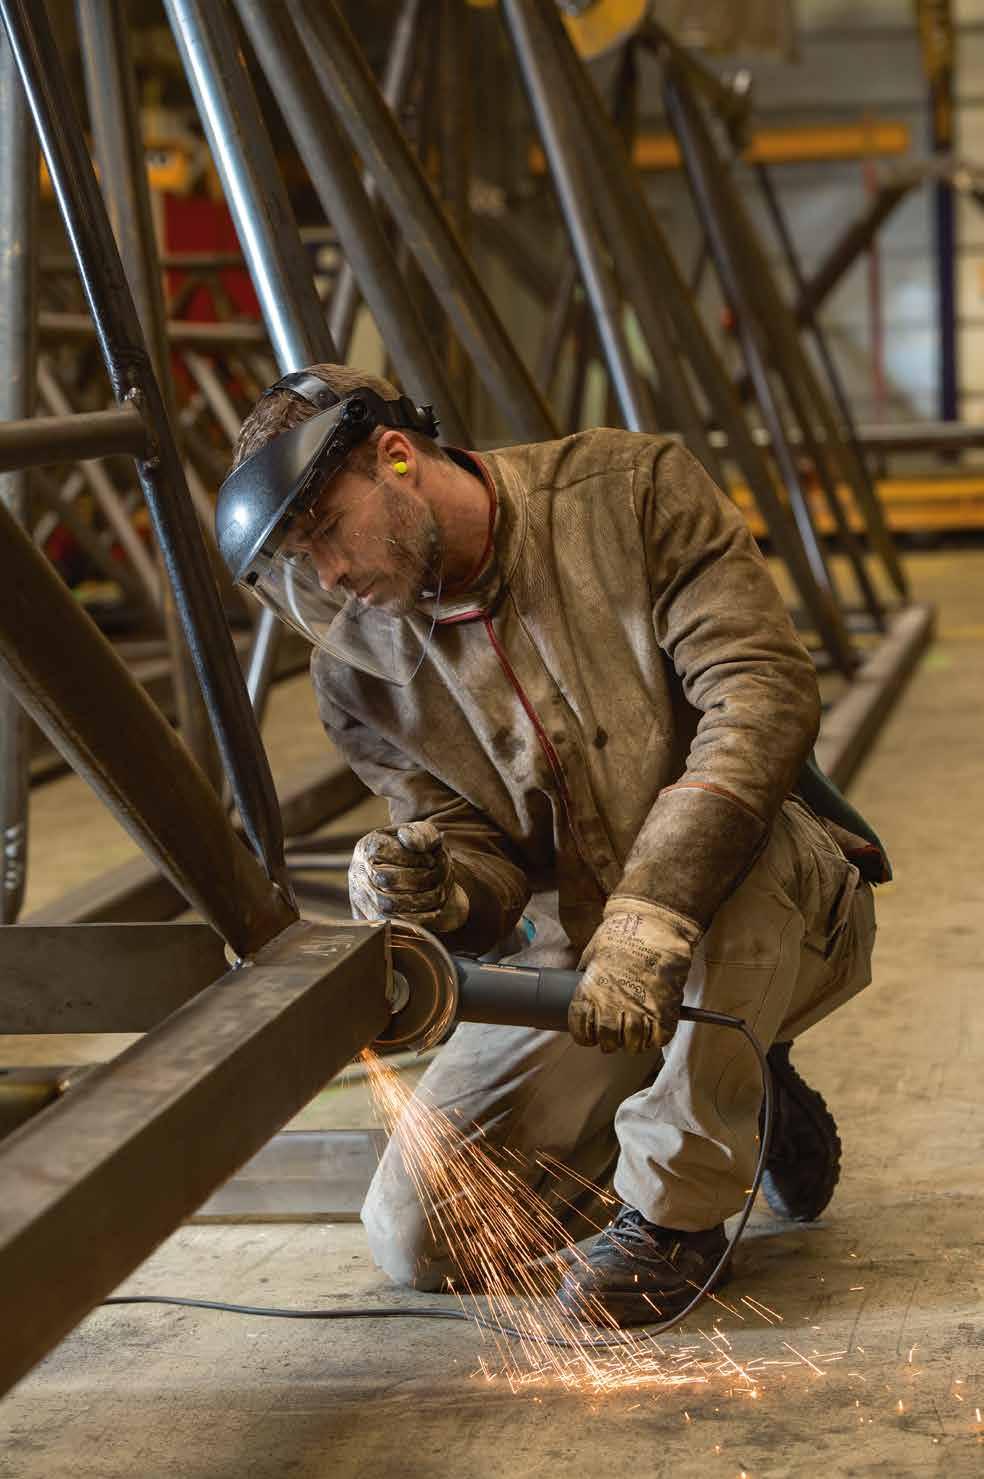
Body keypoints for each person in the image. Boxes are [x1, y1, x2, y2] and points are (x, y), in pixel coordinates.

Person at [218, 363, 888, 1327]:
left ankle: (678, 1216)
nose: (326, 576)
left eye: (325, 530)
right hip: (583, 960)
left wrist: (654, 909)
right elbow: (476, 852)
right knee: (420, 1234)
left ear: (396, 457)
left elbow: (760, 693)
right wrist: (439, 889)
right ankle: (740, 1097)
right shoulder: (356, 680)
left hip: (775, 896)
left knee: (729, 853)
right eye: (297, 559)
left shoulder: (630, 491)